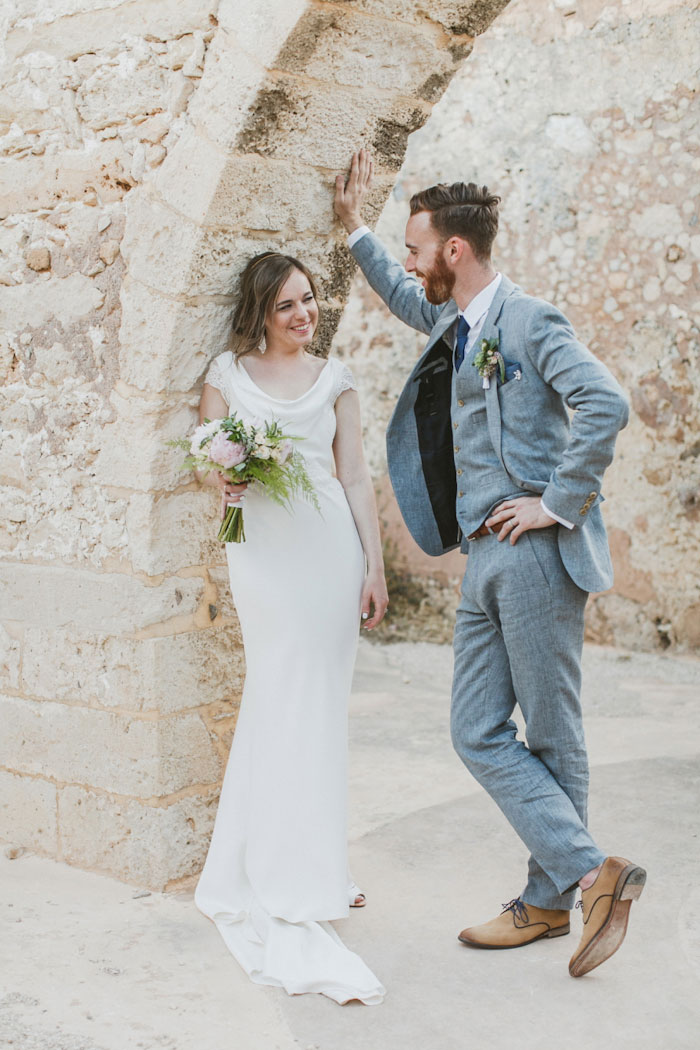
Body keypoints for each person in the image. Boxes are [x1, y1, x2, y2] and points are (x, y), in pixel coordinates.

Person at [334, 150, 645, 978]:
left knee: (551, 732)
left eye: (415, 246)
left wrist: (558, 499)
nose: (410, 262)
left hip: (537, 552)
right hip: (482, 558)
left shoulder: (531, 321)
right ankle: (591, 874)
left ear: (456, 251)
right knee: (474, 730)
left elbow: (605, 403)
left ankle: (549, 904)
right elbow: (405, 296)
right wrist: (354, 228)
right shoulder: (455, 319)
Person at [193, 250, 387, 1005]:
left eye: (308, 301)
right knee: (275, 702)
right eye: (287, 307)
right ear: (261, 316)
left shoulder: (335, 381)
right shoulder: (226, 376)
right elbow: (208, 462)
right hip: (263, 559)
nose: (303, 315)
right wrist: (223, 476)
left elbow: (355, 477)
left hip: (328, 556)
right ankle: (275, 866)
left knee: (318, 715)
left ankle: (318, 872)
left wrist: (373, 566)